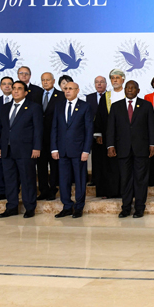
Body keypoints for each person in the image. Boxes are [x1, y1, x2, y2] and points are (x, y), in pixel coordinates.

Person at [106, 80, 154, 218]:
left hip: (141, 149)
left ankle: (139, 208)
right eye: (127, 88)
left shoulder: (146, 105)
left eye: (132, 88)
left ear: (138, 90)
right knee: (125, 179)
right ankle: (126, 208)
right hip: (122, 149)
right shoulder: (116, 107)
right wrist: (110, 145)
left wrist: (153, 145)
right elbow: (111, 128)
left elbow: (152, 126)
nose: (129, 90)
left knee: (141, 179)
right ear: (124, 90)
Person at [0, 81, 42, 218]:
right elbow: (0, 129)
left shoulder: (33, 107)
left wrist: (37, 147)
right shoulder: (5, 107)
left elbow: (38, 129)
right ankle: (12, 207)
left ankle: (29, 207)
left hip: (26, 150)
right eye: (14, 88)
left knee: (27, 179)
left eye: (19, 89)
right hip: (7, 150)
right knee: (10, 180)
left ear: (25, 92)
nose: (15, 91)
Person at [51, 82, 93, 219]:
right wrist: (54, 148)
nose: (67, 91)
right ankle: (67, 206)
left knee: (80, 180)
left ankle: (79, 206)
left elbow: (88, 130)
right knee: (63, 180)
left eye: (70, 89)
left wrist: (86, 150)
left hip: (79, 151)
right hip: (62, 151)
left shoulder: (85, 107)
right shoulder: (59, 106)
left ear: (77, 90)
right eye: (66, 89)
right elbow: (54, 128)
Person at [93, 69, 126, 199]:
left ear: (123, 79)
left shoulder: (128, 93)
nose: (115, 80)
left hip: (125, 136)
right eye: (113, 78)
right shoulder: (106, 96)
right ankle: (110, 191)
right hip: (109, 136)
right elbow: (100, 117)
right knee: (109, 164)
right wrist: (99, 134)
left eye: (118, 78)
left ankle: (125, 191)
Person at [37, 72, 64, 201]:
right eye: (43, 80)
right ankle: (43, 190)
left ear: (53, 81)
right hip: (39, 138)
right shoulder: (36, 95)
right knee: (41, 166)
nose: (45, 82)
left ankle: (53, 190)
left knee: (54, 166)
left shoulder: (61, 96)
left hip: (54, 138)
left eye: (48, 80)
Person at [85, 75, 107, 187]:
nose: (99, 84)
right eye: (97, 82)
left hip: (107, 132)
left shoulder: (109, 96)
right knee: (96, 157)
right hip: (93, 132)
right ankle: (95, 179)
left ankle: (106, 178)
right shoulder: (89, 97)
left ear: (106, 84)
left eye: (101, 82)